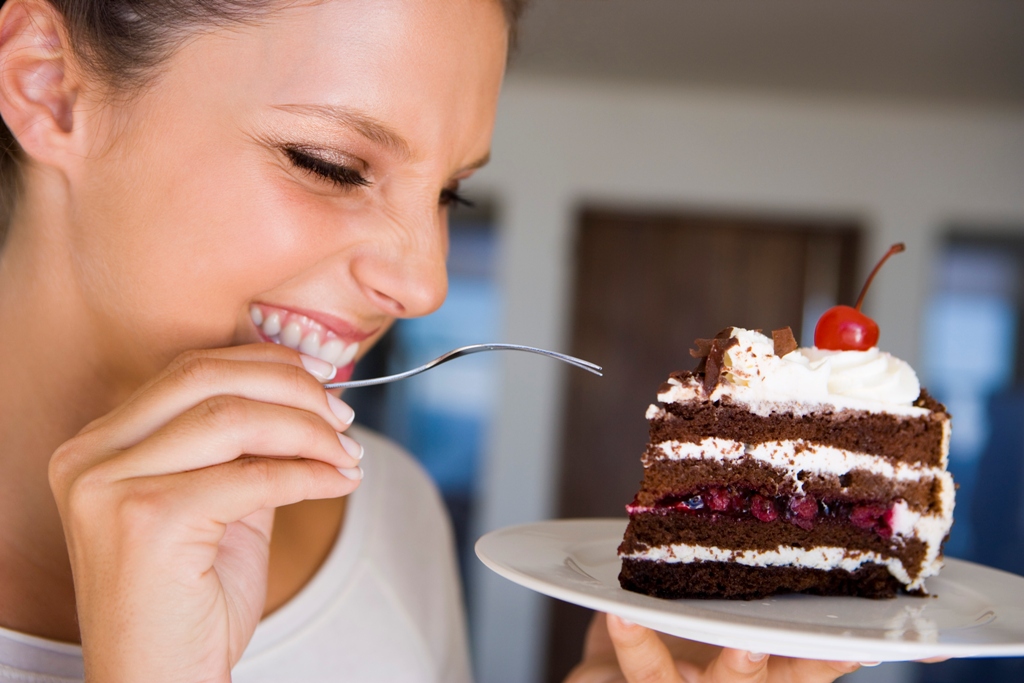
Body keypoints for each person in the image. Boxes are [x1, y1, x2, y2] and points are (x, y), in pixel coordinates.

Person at [0, 0, 869, 680]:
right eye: (329, 164)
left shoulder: (394, 512)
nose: (425, 285)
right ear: (48, 86)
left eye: (451, 196)